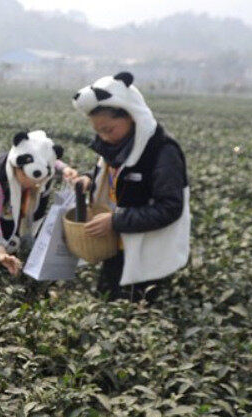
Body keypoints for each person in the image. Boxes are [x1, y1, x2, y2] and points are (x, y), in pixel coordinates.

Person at [69, 71, 191, 302]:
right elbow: (114, 174)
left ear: (132, 116)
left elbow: (170, 208)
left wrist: (116, 221)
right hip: (116, 247)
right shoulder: (117, 145)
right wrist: (89, 179)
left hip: (147, 256)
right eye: (98, 131)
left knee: (136, 311)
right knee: (105, 308)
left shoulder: (162, 151)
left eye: (108, 129)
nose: (104, 138)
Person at [0, 130, 73, 275]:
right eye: (26, 176)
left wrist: (65, 169)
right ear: (16, 166)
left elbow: (48, 158)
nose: (31, 183)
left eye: (37, 180)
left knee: (17, 224)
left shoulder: (41, 169)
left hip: (14, 210)